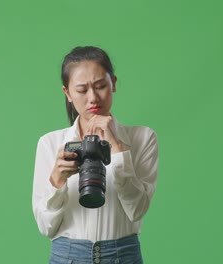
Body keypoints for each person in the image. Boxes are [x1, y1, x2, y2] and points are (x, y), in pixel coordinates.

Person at [32, 46, 158, 264]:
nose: (93, 98)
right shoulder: (51, 144)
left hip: (123, 256)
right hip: (67, 257)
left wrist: (117, 148)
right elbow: (46, 227)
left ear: (114, 83)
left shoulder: (142, 138)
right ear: (67, 93)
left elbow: (137, 210)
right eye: (81, 90)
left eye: (100, 86)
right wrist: (57, 180)